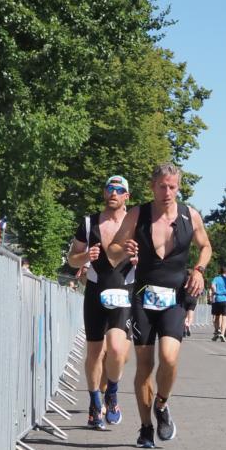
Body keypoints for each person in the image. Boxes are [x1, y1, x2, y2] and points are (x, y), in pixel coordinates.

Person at [108, 163, 212, 449]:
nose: (167, 192)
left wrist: (199, 271)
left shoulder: (189, 216)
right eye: (162, 186)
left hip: (174, 297)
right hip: (142, 296)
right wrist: (123, 250)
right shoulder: (137, 215)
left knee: (169, 358)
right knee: (144, 365)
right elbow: (113, 250)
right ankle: (144, 428)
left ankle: (162, 404)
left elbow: (206, 246)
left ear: (178, 187)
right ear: (153, 187)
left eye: (172, 187)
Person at [66, 176, 135, 430]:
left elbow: (155, 259)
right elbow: (72, 259)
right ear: (104, 193)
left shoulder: (136, 224)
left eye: (119, 190)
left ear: (127, 196)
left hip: (124, 292)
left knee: (117, 351)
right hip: (96, 292)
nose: (113, 193)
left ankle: (112, 393)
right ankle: (96, 402)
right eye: (110, 188)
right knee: (95, 353)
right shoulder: (89, 223)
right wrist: (85, 256)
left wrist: (142, 260)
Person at [209, 266, 226, 342]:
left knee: (216, 316)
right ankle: (222, 334)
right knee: (224, 317)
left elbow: (212, 286)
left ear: (220, 271)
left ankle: (217, 330)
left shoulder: (216, 278)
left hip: (217, 299)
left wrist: (215, 291)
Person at [183, 267, 198, 337]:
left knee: (184, 315)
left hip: (185, 298)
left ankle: (184, 326)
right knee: (190, 316)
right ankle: (188, 325)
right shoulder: (195, 280)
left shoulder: (184, 280)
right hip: (193, 299)